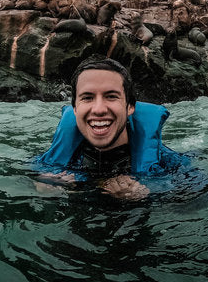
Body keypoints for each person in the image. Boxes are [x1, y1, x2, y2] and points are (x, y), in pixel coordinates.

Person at [36, 57, 185, 199]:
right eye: (87, 98)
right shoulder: (47, 165)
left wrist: (147, 197)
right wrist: (41, 190)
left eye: (111, 96)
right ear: (75, 108)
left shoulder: (170, 165)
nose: (99, 109)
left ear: (130, 106)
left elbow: (194, 204)